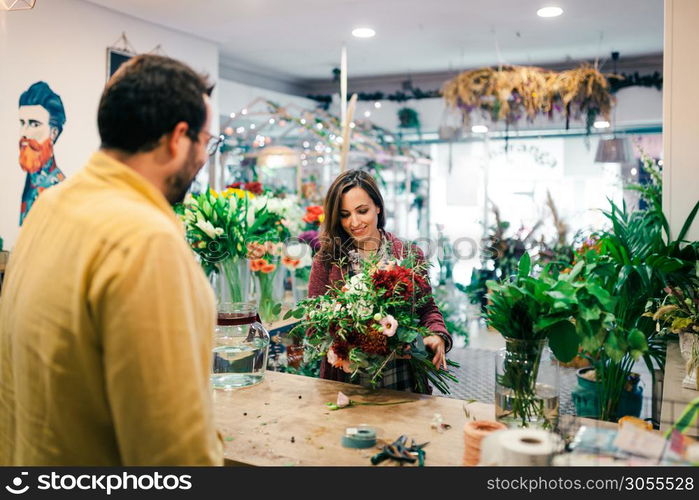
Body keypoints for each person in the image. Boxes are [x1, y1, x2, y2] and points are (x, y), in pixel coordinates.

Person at [0, 55, 223, 465]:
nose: (204, 157)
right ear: (177, 138)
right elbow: (172, 451)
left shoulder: (48, 208)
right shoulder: (145, 240)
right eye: (207, 141)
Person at [308, 169, 452, 393]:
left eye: (362, 211)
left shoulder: (408, 254)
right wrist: (342, 346)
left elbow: (427, 308)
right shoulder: (327, 260)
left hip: (400, 375)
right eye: (344, 214)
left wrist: (436, 334)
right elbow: (313, 324)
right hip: (347, 379)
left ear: (378, 206)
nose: (354, 222)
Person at [18, 81, 67, 225]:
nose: (24, 133)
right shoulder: (31, 180)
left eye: (34, 124)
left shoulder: (59, 192)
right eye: (22, 123)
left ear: (53, 133)